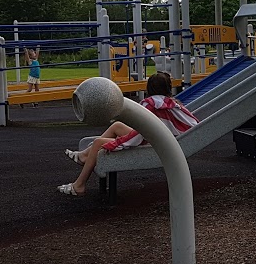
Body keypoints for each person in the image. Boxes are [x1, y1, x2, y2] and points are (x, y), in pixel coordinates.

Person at [57, 72, 198, 196]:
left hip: (157, 141)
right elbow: (191, 121)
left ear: (149, 88)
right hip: (160, 137)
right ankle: (84, 155)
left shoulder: (152, 105)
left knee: (98, 144)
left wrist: (117, 143)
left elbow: (139, 134)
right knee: (117, 125)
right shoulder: (171, 103)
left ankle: (79, 185)